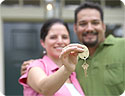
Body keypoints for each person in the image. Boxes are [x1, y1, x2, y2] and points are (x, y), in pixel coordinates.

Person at [21, 2, 125, 96]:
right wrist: (32, 67)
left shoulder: (72, 71)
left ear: (103, 26)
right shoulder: (41, 67)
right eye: (83, 23)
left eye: (95, 22)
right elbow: (44, 88)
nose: (89, 28)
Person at [19, 18, 85, 96]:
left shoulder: (72, 74)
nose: (60, 41)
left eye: (64, 37)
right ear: (43, 42)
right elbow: (43, 89)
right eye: (53, 37)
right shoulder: (36, 66)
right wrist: (66, 69)